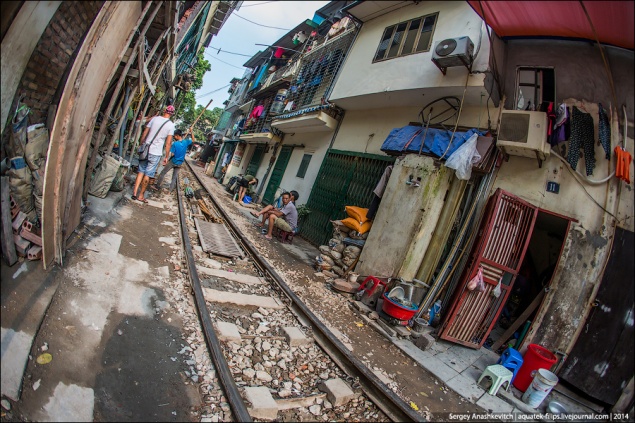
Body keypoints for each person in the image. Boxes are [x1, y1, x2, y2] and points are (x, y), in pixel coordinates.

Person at [133, 105, 175, 203]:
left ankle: (134, 193)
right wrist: (166, 156)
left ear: (164, 110)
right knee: (148, 174)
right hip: (156, 153)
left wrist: (141, 143)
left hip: (146, 149)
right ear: (172, 114)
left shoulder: (154, 119)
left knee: (140, 171)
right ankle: (141, 195)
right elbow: (168, 143)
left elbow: (144, 133)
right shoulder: (171, 125)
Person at [149, 128, 194, 193]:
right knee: (174, 177)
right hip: (180, 163)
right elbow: (193, 140)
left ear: (178, 135)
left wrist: (167, 160)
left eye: (175, 136)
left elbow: (172, 154)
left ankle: (157, 186)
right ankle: (170, 190)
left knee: (163, 173)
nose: (174, 137)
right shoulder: (185, 142)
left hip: (173, 161)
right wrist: (191, 131)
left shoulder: (175, 144)